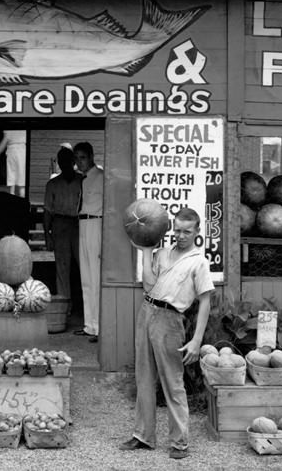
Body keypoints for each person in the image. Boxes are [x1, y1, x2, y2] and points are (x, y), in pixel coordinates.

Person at [119, 207, 214, 460]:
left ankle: (179, 442)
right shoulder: (161, 253)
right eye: (178, 230)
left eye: (187, 232)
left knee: (173, 382)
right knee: (144, 377)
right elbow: (148, 285)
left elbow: (205, 302)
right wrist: (146, 251)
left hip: (170, 320)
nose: (181, 236)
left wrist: (196, 341)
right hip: (147, 311)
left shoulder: (198, 261)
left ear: (197, 231)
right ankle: (143, 436)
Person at [43, 146, 81, 324]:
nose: (65, 164)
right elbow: (47, 211)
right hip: (60, 223)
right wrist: (47, 234)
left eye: (68, 160)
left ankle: (87, 304)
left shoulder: (83, 180)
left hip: (80, 223)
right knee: (62, 266)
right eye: (62, 161)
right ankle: (64, 306)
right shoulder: (53, 184)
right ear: (59, 163)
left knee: (85, 264)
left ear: (73, 162)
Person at [73, 141, 103, 343]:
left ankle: (99, 326)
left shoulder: (101, 177)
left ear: (91, 157)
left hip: (96, 223)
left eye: (82, 158)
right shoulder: (82, 180)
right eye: (76, 158)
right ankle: (89, 325)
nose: (79, 162)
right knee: (85, 277)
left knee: (95, 276)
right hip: (83, 224)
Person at [0, 130, 26, 197]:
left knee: (12, 174)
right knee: (22, 175)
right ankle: (22, 193)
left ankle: (12, 192)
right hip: (23, 149)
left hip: (12, 150)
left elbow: (5, 140)